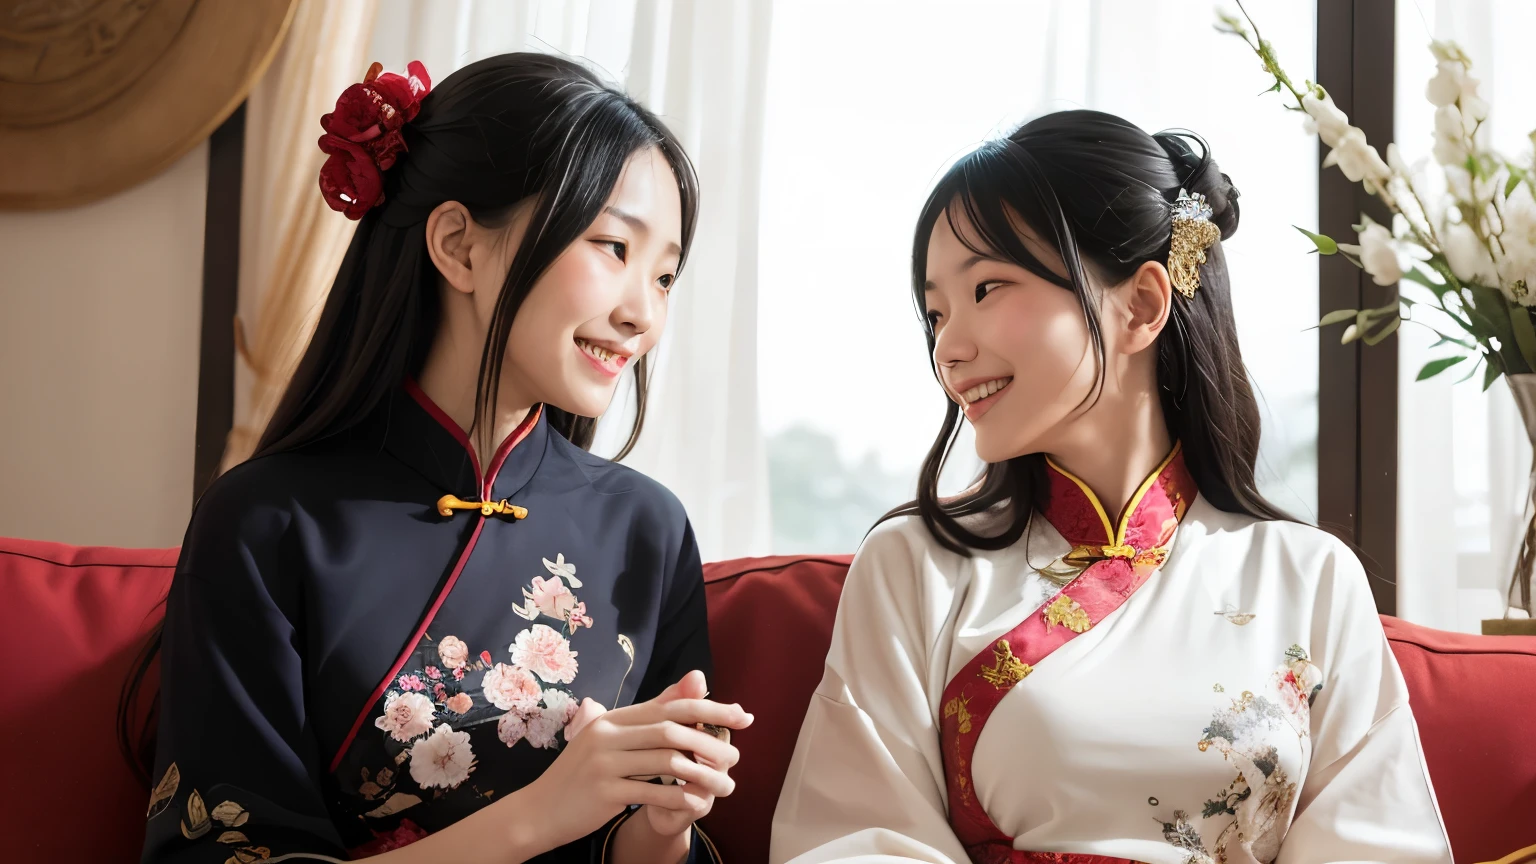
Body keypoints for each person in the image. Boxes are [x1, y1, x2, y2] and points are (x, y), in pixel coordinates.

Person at [770, 110, 1450, 864]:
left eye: (988, 287)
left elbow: (1379, 846)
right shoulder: (914, 567)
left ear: (1142, 305)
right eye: (935, 312)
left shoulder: (1310, 577)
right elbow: (858, 840)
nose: (949, 348)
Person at [130, 54, 751, 864]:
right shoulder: (267, 522)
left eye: (666, 275)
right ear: (458, 245)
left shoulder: (647, 528)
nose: (643, 313)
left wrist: (659, 831)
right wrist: (545, 814)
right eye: (612, 246)